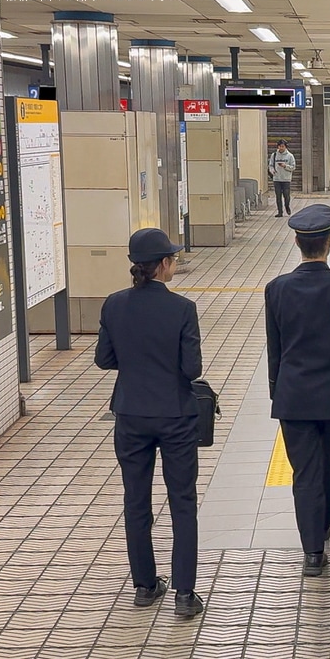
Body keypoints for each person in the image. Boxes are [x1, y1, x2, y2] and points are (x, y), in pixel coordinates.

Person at [96, 227, 205, 619]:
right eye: (173, 258)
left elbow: (104, 359)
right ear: (163, 265)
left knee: (136, 500)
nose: (175, 263)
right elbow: (192, 369)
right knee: (182, 502)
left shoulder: (113, 304)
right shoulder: (182, 309)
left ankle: (144, 586)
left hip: (130, 414)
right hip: (175, 415)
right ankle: (185, 594)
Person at [265, 204, 330, 576]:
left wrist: (277, 391)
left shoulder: (276, 290)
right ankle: (324, 522)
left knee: (304, 474)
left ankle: (312, 552)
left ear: (297, 242)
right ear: (329, 242)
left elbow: (274, 348)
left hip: (293, 398)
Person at [269, 140, 296, 217]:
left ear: (285, 147)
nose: (281, 148)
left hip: (286, 179)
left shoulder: (290, 156)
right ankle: (280, 212)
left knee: (286, 195)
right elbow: (270, 165)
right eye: (280, 146)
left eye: (283, 146)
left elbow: (293, 167)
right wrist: (272, 171)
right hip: (276, 179)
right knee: (278, 196)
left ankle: (287, 206)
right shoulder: (274, 155)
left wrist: (285, 166)